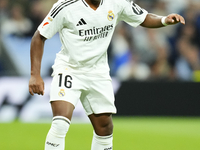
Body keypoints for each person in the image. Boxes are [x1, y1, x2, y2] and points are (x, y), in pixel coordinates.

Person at [28, 0, 185, 149]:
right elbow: (39, 36)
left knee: (105, 127)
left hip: (98, 72)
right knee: (61, 122)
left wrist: (165, 19)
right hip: (70, 69)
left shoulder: (116, 3)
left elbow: (144, 17)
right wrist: (35, 75)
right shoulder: (65, 6)